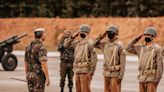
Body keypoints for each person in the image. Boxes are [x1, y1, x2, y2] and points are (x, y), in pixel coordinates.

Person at [126, 27, 163, 92]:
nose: (146, 36)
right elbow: (128, 48)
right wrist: (136, 39)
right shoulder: (140, 48)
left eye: (148, 35)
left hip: (151, 78)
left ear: (153, 36)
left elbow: (160, 65)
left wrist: (157, 79)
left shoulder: (157, 49)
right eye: (145, 35)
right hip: (142, 77)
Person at [64, 24, 98, 92]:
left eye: (83, 32)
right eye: (80, 32)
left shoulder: (90, 43)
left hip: (85, 71)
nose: (81, 33)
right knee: (78, 90)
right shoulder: (77, 43)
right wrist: (74, 36)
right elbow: (65, 44)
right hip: (77, 70)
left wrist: (91, 72)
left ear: (87, 33)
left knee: (85, 90)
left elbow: (94, 59)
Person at [94, 25, 126, 92]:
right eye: (107, 32)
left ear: (115, 34)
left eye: (110, 32)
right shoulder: (105, 44)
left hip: (115, 73)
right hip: (106, 73)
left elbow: (123, 62)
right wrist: (101, 37)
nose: (109, 34)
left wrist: (121, 76)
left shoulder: (119, 45)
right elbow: (94, 44)